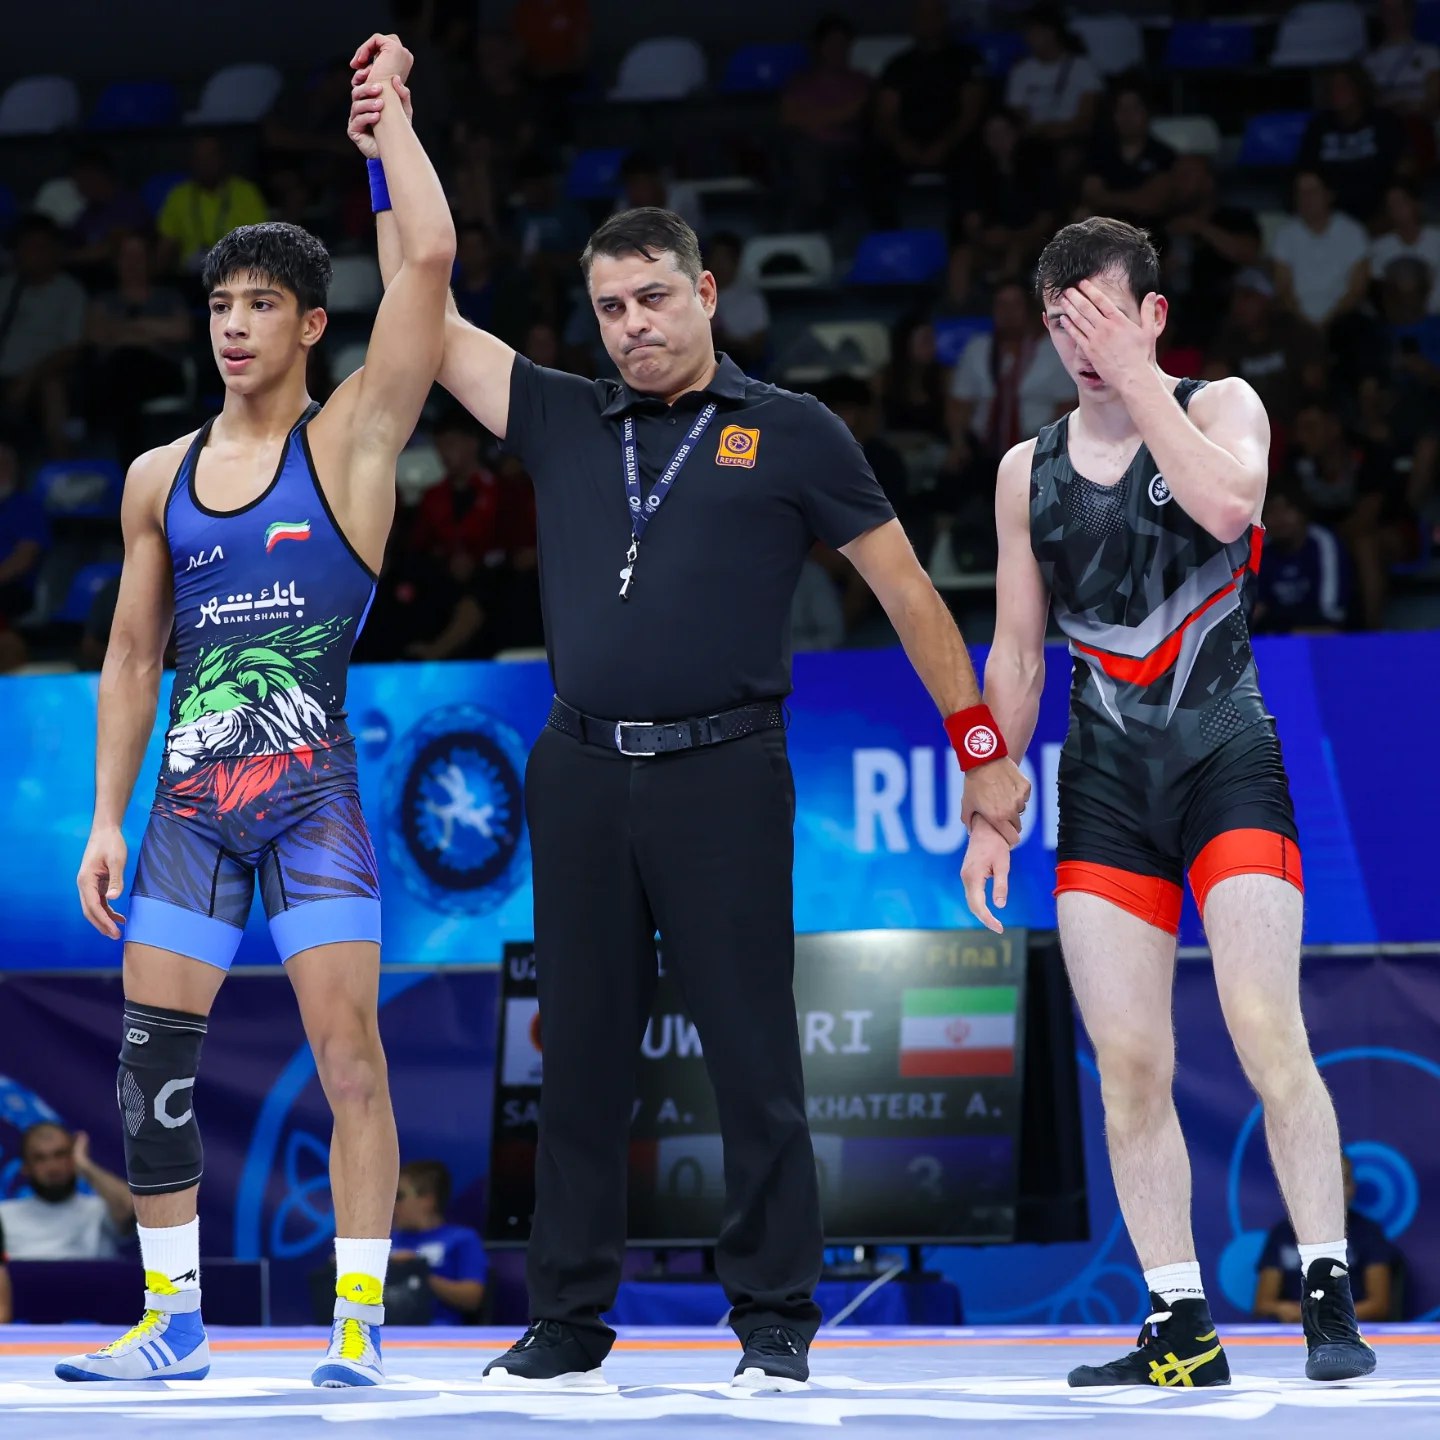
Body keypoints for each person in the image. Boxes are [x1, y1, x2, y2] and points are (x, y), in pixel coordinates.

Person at [351, 58, 1029, 1393]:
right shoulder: (560, 413)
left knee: (752, 1053)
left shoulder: (792, 431)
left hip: (725, 774)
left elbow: (909, 596)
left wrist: (982, 756)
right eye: (610, 308)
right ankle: (567, 1320)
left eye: (653, 298)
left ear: (707, 293)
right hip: (578, 770)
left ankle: (773, 1318)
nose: (632, 326)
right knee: (578, 1059)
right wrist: (390, 146)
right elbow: (420, 300)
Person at [61, 31, 454, 1389]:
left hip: (311, 803)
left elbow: (427, 266)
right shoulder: (156, 476)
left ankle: (358, 1325)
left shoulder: (349, 443)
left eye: (260, 305)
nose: (232, 325)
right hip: (186, 812)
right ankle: (173, 1322)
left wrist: (388, 129)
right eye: (219, 303)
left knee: (351, 1062)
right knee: (149, 1067)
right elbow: (131, 656)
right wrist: (105, 818)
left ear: (310, 326)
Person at [960, 216, 1375, 1388]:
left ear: (1151, 315)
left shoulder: (1223, 406)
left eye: (1100, 316)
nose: (1080, 343)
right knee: (1132, 1062)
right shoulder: (1025, 472)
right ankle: (1179, 1323)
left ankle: (1327, 1291)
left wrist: (1138, 381)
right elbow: (1019, 652)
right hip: (1105, 784)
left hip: (1226, 758)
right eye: (1061, 323)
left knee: (1261, 1021)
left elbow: (1231, 509)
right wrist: (991, 803)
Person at [1254, 1153, 1397, 1323]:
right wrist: (1283, 1309)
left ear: (1353, 1187)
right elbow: (1263, 1304)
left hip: (1351, 1331)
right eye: (1322, 1182)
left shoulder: (1368, 1233)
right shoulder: (1283, 1233)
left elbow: (1379, 1306)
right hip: (1295, 1331)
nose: (1332, 1191)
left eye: (1342, 1181)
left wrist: (1324, 1316)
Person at [0, 215, 88, 455]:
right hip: (4, 376)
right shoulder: (6, 287)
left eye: (39, 247)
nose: (31, 254)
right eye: (26, 247)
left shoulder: (69, 291)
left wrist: (29, 377)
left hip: (43, 377)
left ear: (54, 251)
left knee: (52, 387)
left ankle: (62, 464)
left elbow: (73, 349)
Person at [0, 1124, 134, 1259]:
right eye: (40, 1158)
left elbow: (131, 1209)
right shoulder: (4, 1216)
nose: (52, 1167)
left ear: (73, 1158)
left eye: (60, 1155)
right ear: (25, 1167)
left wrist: (84, 1164)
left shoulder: (99, 1211)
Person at [156, 134, 269, 277]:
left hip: (237, 275)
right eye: (200, 158)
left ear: (223, 159)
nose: (206, 163)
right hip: (191, 277)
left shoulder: (246, 193)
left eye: (211, 156)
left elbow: (261, 244)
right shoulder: (179, 196)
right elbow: (165, 246)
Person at [391, 1160, 489, 1324]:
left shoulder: (462, 1238)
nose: (392, 1205)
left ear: (427, 1200)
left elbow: (473, 1297)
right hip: (384, 1326)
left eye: (399, 1197)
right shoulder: (386, 1239)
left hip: (437, 1329)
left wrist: (418, 1274)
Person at [1251, 482, 1352, 634]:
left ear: (1302, 512)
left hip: (1319, 633)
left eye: (1287, 509)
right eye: (1271, 511)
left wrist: (1286, 631)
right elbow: (1256, 607)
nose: (1279, 518)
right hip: (1272, 635)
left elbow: (1332, 615)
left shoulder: (1323, 542)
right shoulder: (1260, 548)